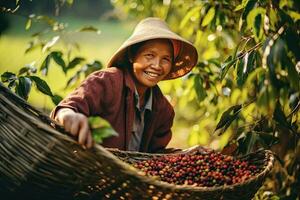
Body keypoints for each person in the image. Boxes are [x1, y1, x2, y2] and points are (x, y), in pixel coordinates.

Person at [50, 17, 198, 152]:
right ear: (132, 56)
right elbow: (65, 109)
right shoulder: (107, 81)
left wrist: (185, 154)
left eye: (166, 59)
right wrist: (69, 116)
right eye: (149, 55)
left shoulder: (163, 110)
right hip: (90, 172)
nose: (157, 65)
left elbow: (154, 157)